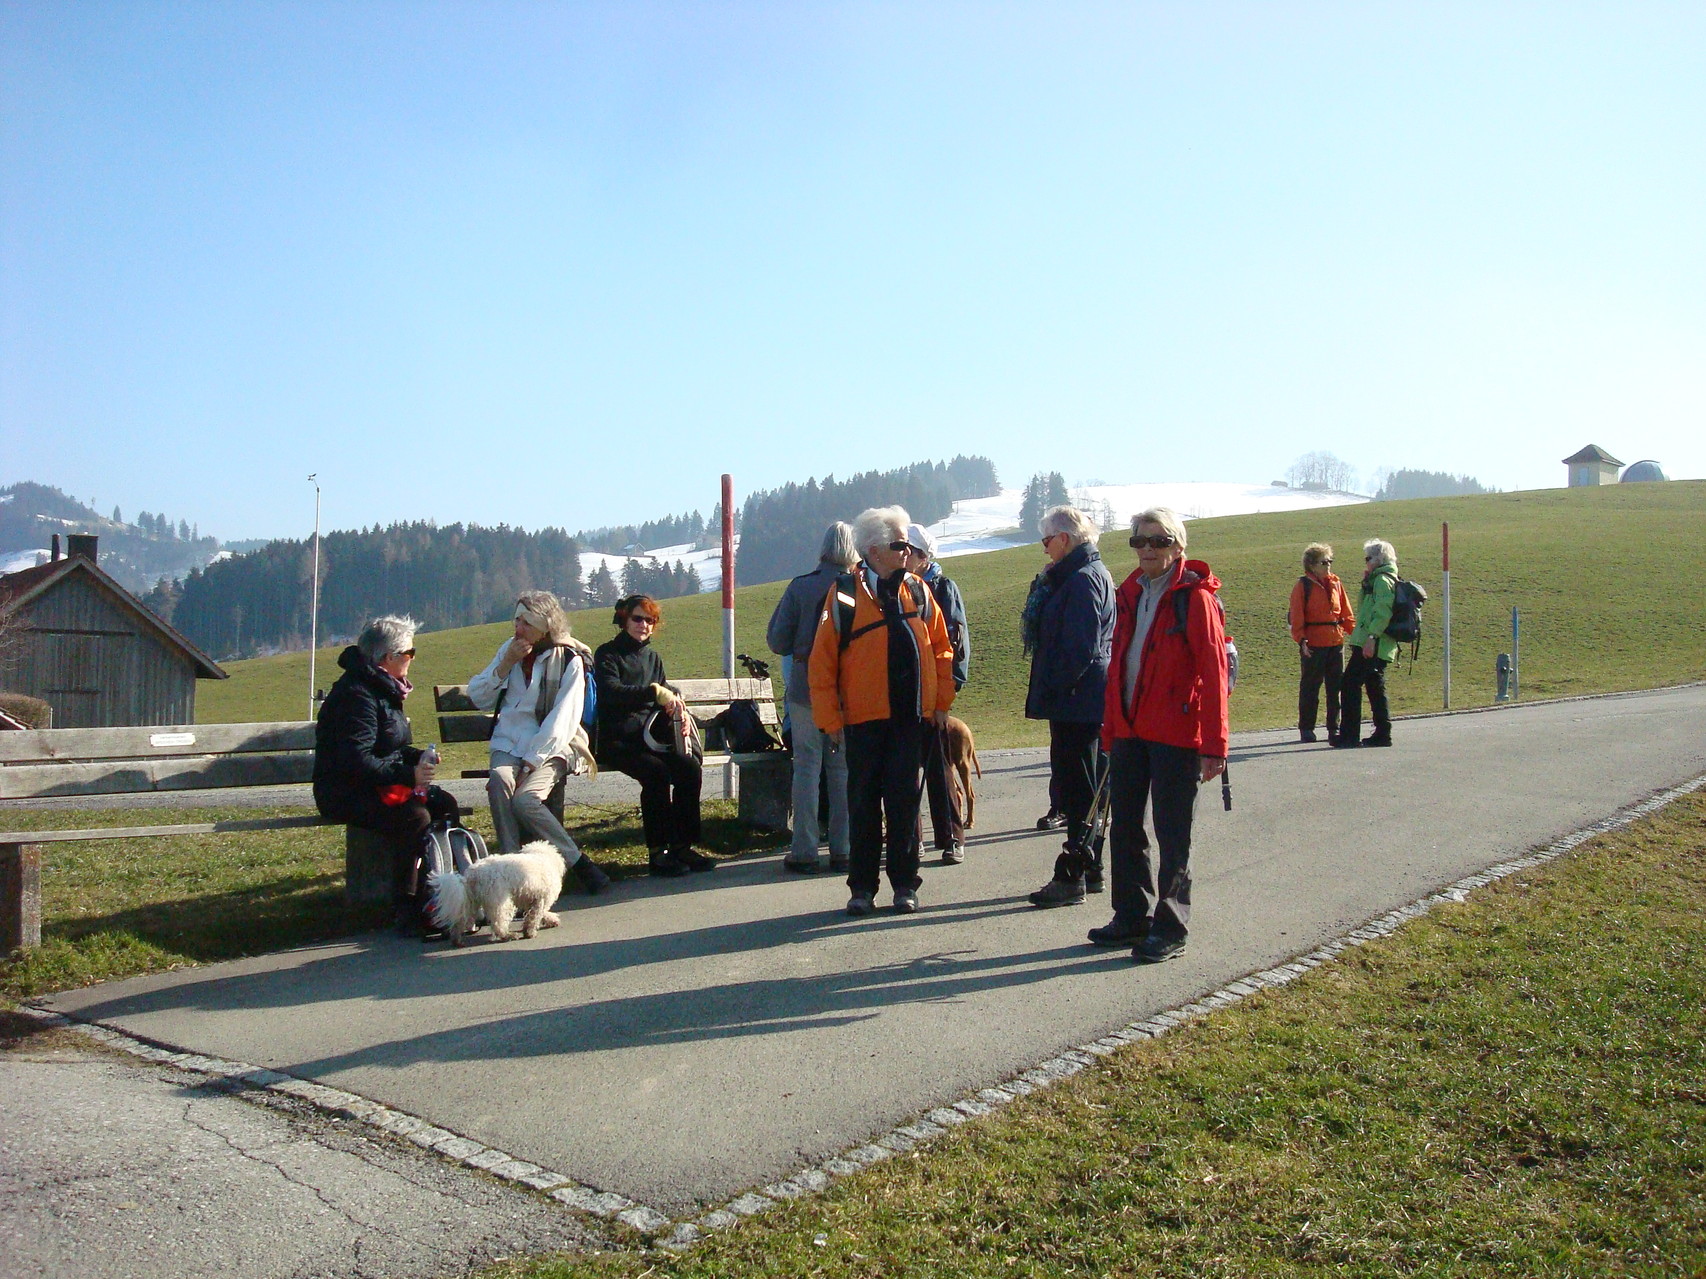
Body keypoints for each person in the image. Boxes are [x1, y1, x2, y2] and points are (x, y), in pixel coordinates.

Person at [1090, 508, 1228, 963]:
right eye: (1139, 541)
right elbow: (1118, 670)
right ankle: (1131, 915)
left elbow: (1212, 671)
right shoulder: (1128, 593)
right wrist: (1111, 731)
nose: (1148, 549)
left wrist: (1214, 746)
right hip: (1130, 731)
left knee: (1173, 834)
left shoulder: (1195, 599)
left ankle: (1170, 926)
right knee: (1125, 827)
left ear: (1177, 547)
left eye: (1158, 540)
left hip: (1176, 734)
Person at [808, 505, 956, 917]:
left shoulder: (919, 590)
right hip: (862, 721)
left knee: (905, 805)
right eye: (900, 544)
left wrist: (941, 704)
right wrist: (830, 721)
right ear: (874, 551)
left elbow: (942, 649)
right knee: (863, 804)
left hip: (910, 718)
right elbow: (821, 664)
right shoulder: (843, 594)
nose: (908, 551)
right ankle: (862, 888)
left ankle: (905, 884)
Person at [312, 615, 459, 937]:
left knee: (444, 803)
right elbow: (355, 760)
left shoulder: (382, 688)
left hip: (375, 785)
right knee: (415, 816)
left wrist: (418, 757)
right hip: (345, 792)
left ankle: (443, 891)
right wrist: (410, 775)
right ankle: (407, 906)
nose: (412, 660)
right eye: (409, 653)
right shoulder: (357, 695)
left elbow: (393, 746)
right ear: (388, 658)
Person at [466, 591, 611, 894]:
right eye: (516, 620)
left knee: (525, 799)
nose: (518, 628)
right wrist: (505, 664)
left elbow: (563, 719)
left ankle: (578, 863)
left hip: (558, 744)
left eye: (526, 622)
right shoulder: (510, 650)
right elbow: (479, 696)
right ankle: (511, 867)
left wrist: (532, 761)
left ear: (545, 625)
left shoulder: (569, 658)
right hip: (509, 743)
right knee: (499, 781)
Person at [1023, 505, 1116, 907]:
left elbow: (1081, 647)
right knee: (1086, 786)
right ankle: (1090, 868)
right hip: (1082, 698)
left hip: (1078, 700)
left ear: (1064, 538)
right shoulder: (1088, 574)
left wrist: (1056, 687)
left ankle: (1074, 875)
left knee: (1078, 788)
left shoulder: (1081, 580)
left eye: (1047, 540)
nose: (1045, 550)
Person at [594, 594, 715, 876]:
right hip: (617, 740)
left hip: (649, 739)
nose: (644, 625)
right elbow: (611, 693)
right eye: (638, 618)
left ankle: (682, 846)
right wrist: (654, 693)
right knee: (657, 773)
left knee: (688, 767)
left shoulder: (653, 658)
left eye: (650, 620)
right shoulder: (607, 654)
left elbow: (663, 692)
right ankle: (657, 853)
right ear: (624, 619)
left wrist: (678, 709)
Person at [766, 522, 857, 873]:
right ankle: (843, 847)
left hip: (805, 688)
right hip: (847, 690)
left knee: (806, 767)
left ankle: (804, 849)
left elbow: (777, 641)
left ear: (822, 549)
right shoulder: (859, 587)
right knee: (842, 768)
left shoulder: (800, 587)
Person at [902, 522, 971, 865]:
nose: (903, 557)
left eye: (908, 552)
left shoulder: (943, 588)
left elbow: (955, 642)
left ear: (922, 557)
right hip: (903, 692)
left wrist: (949, 691)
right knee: (903, 771)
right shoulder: (896, 586)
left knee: (939, 768)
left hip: (932, 693)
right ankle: (912, 841)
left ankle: (951, 838)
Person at [1287, 543, 1354, 744]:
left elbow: (1346, 613)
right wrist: (1302, 641)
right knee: (1310, 688)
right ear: (1311, 565)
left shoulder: (1336, 583)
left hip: (1335, 642)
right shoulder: (1302, 586)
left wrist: (1356, 636)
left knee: (1335, 689)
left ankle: (1334, 728)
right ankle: (1307, 728)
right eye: (1323, 562)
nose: (1328, 566)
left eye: (1329, 561)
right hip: (1313, 645)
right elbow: (1296, 617)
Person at [1337, 538, 1400, 748]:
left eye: (1368, 558)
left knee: (1349, 684)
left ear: (1378, 559)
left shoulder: (1382, 581)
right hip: (1374, 642)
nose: (1366, 562)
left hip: (1372, 643)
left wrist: (1371, 638)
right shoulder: (1379, 579)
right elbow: (1365, 608)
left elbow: (1382, 612)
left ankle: (1349, 735)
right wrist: (1365, 584)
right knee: (1374, 685)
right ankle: (1383, 733)